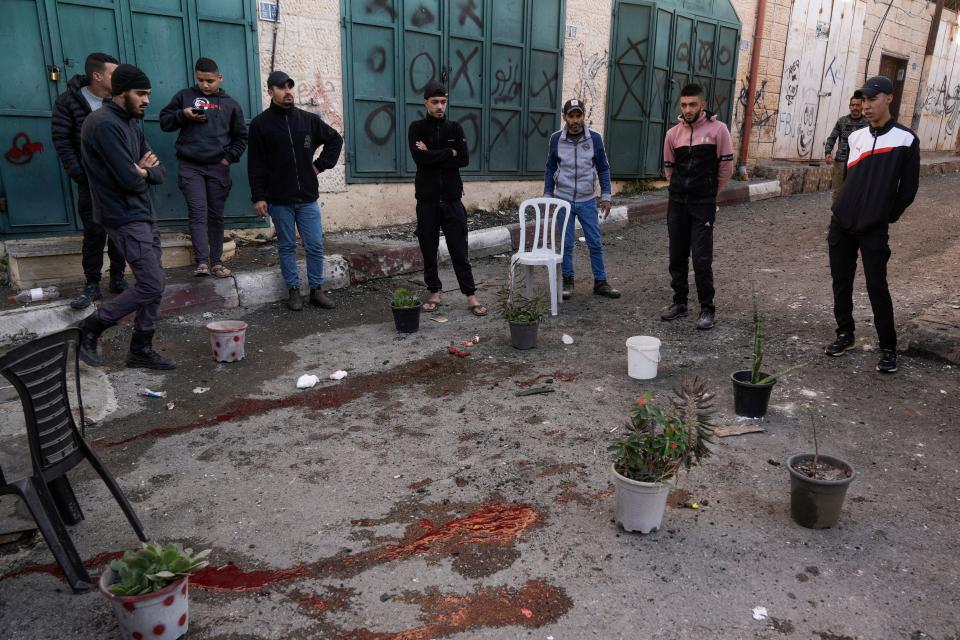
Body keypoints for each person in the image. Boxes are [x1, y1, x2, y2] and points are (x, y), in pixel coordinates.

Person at [78, 64, 175, 370]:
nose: (147, 100)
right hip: (122, 215)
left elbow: (158, 172)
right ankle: (91, 327)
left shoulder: (131, 121)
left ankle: (141, 349)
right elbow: (128, 180)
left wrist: (144, 170)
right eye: (141, 93)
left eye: (148, 94)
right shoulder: (104, 124)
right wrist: (142, 173)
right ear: (121, 93)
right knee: (151, 284)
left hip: (142, 213)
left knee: (154, 283)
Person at [825, 76, 919, 374]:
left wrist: (884, 215)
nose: (866, 106)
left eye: (872, 99)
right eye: (863, 100)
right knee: (841, 282)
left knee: (877, 286)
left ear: (889, 98)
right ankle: (845, 334)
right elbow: (849, 180)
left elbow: (908, 190)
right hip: (842, 222)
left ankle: (888, 348)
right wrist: (840, 208)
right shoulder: (856, 138)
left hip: (874, 227)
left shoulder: (906, 139)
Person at [247, 71, 343, 311]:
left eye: (290, 86)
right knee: (287, 246)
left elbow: (335, 140)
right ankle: (293, 291)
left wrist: (319, 166)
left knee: (315, 244)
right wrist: (259, 196)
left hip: (307, 197)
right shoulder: (260, 124)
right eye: (281, 87)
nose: (287, 91)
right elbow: (255, 164)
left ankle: (316, 290)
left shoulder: (307, 120)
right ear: (270, 92)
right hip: (279, 199)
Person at [51, 52, 128, 310]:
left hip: (121, 180)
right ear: (97, 76)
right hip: (91, 183)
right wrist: (80, 174)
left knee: (121, 232)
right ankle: (92, 284)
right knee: (95, 234)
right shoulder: (69, 102)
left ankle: (117, 279)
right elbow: (62, 141)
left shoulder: (119, 100)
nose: (118, 79)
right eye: (113, 74)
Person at [160, 57, 247, 278]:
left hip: (218, 167)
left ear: (220, 78)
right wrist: (183, 115)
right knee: (198, 213)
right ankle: (202, 263)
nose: (205, 85)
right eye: (200, 80)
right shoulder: (184, 96)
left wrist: (227, 159)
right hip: (190, 166)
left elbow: (241, 138)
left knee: (216, 216)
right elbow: (165, 122)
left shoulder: (231, 104)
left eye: (209, 80)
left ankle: (216, 262)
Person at [407, 80, 487, 316]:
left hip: (452, 200)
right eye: (435, 102)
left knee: (459, 249)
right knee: (429, 248)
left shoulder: (456, 129)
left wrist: (432, 153)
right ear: (426, 103)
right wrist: (448, 152)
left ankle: (470, 295)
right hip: (427, 200)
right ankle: (434, 292)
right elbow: (419, 159)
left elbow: (463, 160)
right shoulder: (416, 128)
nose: (440, 106)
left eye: (443, 102)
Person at [660, 83, 734, 330]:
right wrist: (679, 190)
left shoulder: (718, 130)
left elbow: (726, 167)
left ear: (702, 104)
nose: (687, 109)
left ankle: (707, 308)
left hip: (703, 204)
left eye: (692, 104)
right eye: (683, 105)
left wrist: (710, 192)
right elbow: (669, 168)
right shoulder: (673, 134)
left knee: (701, 259)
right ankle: (679, 303)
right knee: (676, 257)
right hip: (677, 203)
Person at [543, 98, 621, 301]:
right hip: (563, 200)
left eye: (579, 115)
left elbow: (603, 168)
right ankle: (568, 280)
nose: (575, 120)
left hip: (587, 200)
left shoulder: (594, 138)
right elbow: (550, 168)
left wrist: (606, 196)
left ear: (584, 116)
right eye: (571, 116)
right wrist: (548, 195)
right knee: (567, 243)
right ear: (565, 117)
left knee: (595, 242)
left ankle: (600, 282)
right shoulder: (556, 139)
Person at [823, 93, 868, 203]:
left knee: (855, 191)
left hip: (859, 163)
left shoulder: (868, 123)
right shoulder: (842, 121)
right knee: (838, 192)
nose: (855, 108)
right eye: (853, 105)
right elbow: (832, 138)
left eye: (858, 105)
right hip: (841, 162)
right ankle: (836, 216)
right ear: (850, 106)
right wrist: (828, 152)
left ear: (862, 106)